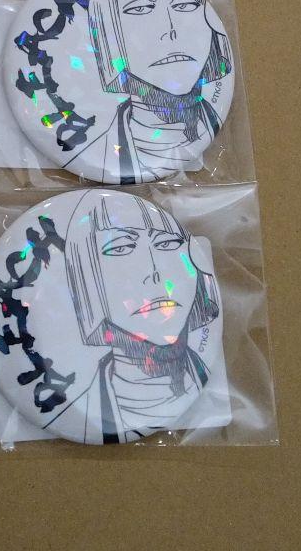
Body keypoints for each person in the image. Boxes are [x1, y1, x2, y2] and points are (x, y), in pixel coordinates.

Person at [45, 190, 220, 444]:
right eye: (121, 248)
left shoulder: (212, 387)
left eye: (167, 244)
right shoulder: (77, 416)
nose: (154, 272)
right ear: (87, 277)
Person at [69, 0, 232, 183]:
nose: (171, 29)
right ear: (107, 32)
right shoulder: (93, 157)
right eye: (140, 8)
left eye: (184, 5)